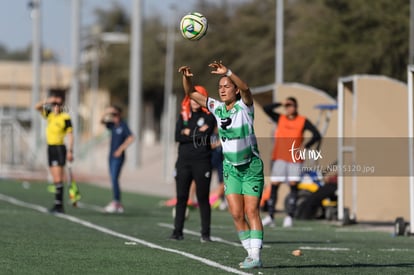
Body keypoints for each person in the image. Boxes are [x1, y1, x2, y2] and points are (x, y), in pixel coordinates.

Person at [179, 61, 265, 269]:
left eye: (227, 86)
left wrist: (227, 72)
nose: (223, 90)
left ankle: (255, 255)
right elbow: (191, 93)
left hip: (251, 167)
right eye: (220, 87)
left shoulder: (245, 106)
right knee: (236, 214)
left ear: (235, 90)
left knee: (251, 211)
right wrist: (187, 78)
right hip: (231, 169)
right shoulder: (216, 108)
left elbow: (246, 88)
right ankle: (250, 253)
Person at [262, 97, 321, 227]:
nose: (289, 108)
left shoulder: (302, 121)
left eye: (291, 105)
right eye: (287, 105)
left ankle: (289, 216)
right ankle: (270, 216)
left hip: (295, 158)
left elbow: (317, 134)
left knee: (293, 185)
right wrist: (281, 103)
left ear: (296, 107)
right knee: (275, 185)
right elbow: (266, 109)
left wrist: (306, 146)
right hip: (279, 157)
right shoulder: (280, 118)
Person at [170, 86, 216, 242]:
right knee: (181, 197)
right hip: (183, 161)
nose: (194, 101)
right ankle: (177, 232)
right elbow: (177, 136)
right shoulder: (183, 116)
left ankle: (205, 234)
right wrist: (195, 132)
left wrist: (188, 132)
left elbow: (205, 136)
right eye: (192, 98)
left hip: (202, 161)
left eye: (198, 97)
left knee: (202, 197)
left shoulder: (209, 116)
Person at [35, 93, 74, 213]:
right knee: (55, 178)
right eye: (54, 104)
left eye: (58, 104)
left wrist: (70, 151)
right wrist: (48, 100)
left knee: (58, 177)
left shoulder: (65, 117)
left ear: (62, 105)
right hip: (50, 148)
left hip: (59, 148)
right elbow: (37, 107)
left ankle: (59, 205)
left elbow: (70, 135)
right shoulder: (49, 115)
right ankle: (57, 204)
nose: (56, 106)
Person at [101, 105, 134, 213]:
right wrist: (107, 112)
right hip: (110, 156)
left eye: (115, 114)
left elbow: (131, 137)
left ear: (119, 114)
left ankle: (116, 202)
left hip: (118, 157)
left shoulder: (123, 125)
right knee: (113, 179)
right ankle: (118, 203)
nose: (114, 117)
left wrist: (121, 149)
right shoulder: (112, 125)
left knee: (115, 178)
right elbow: (102, 121)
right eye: (112, 115)